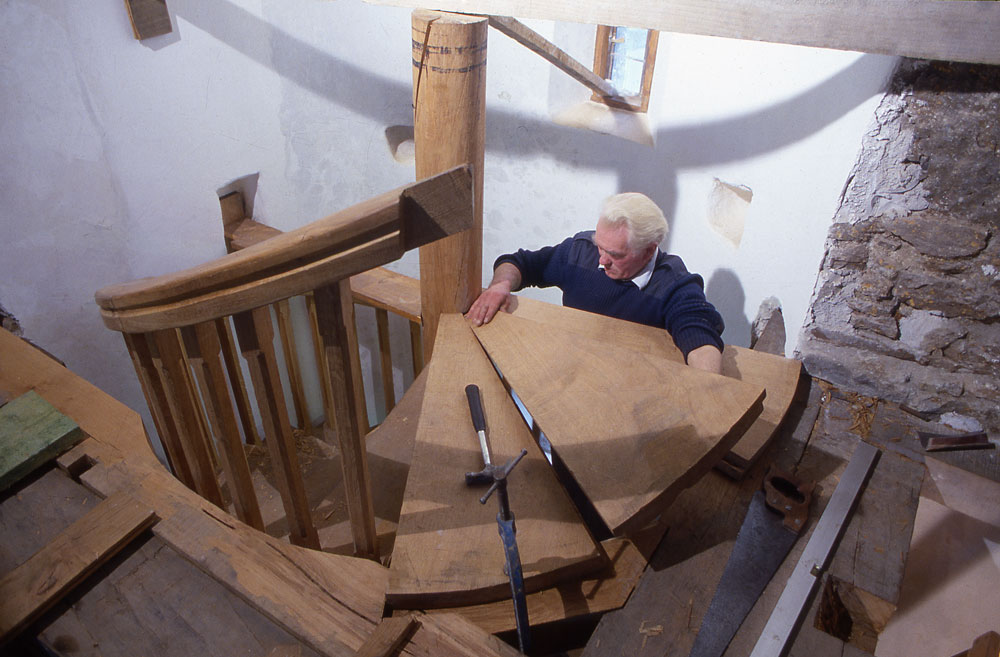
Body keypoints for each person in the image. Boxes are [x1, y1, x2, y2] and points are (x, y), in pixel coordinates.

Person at [466, 192, 725, 374]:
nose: (602, 260)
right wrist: (500, 285)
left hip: (631, 381)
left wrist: (706, 391)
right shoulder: (582, 251)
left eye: (615, 255)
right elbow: (520, 263)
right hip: (571, 368)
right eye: (600, 246)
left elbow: (699, 336)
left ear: (648, 251)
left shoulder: (672, 282)